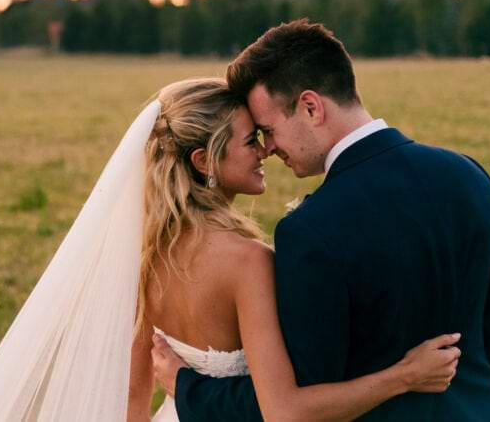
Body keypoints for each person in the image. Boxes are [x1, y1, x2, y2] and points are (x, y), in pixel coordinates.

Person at [152, 20, 490, 421]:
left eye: (268, 130)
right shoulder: (469, 175)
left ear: (311, 107)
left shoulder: (311, 230)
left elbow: (298, 399)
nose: (268, 148)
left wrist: (190, 388)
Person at [129, 78, 461, 422]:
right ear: (203, 161)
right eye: (250, 141)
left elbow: (132, 393)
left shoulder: (146, 249)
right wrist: (404, 376)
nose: (264, 151)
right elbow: (285, 412)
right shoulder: (247, 261)